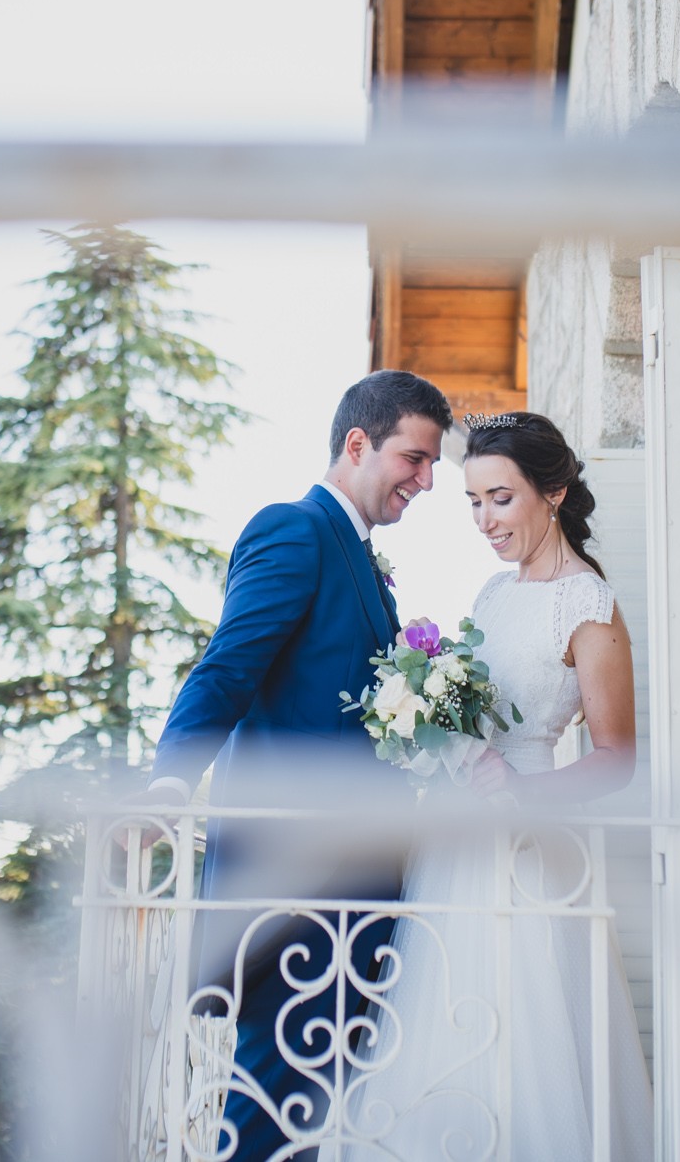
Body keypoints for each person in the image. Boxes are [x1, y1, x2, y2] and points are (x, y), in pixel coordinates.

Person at [142, 369, 451, 1162]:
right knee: (270, 1104)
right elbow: (228, 667)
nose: (425, 479)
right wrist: (169, 784)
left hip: (359, 885)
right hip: (292, 882)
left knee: (319, 1108)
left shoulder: (361, 555)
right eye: (414, 459)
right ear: (358, 442)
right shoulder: (294, 529)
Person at [348, 410, 654, 1160]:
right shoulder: (491, 593)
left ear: (552, 492)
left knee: (530, 1024)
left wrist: (518, 790)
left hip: (534, 838)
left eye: (501, 498)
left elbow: (617, 757)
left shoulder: (589, 605)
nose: (485, 520)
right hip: (460, 840)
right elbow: (471, 713)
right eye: (474, 501)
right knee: (447, 1019)